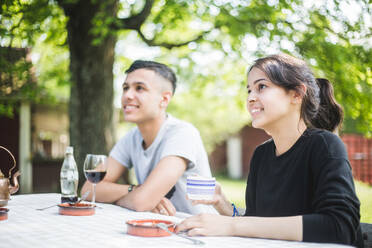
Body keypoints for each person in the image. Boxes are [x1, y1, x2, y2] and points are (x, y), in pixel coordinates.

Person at [176, 53, 363, 247]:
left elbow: (340, 226)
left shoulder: (324, 145)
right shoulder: (261, 155)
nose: (250, 98)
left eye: (261, 87)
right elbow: (255, 222)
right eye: (249, 90)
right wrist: (222, 204)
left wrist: (232, 225)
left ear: (297, 94)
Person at [81, 60, 216, 215]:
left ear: (164, 99)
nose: (127, 95)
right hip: (159, 228)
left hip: (200, 230)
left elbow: (141, 202)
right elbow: (89, 189)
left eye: (139, 88)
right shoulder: (131, 138)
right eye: (125, 88)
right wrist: (134, 190)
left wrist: (131, 198)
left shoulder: (183, 134)